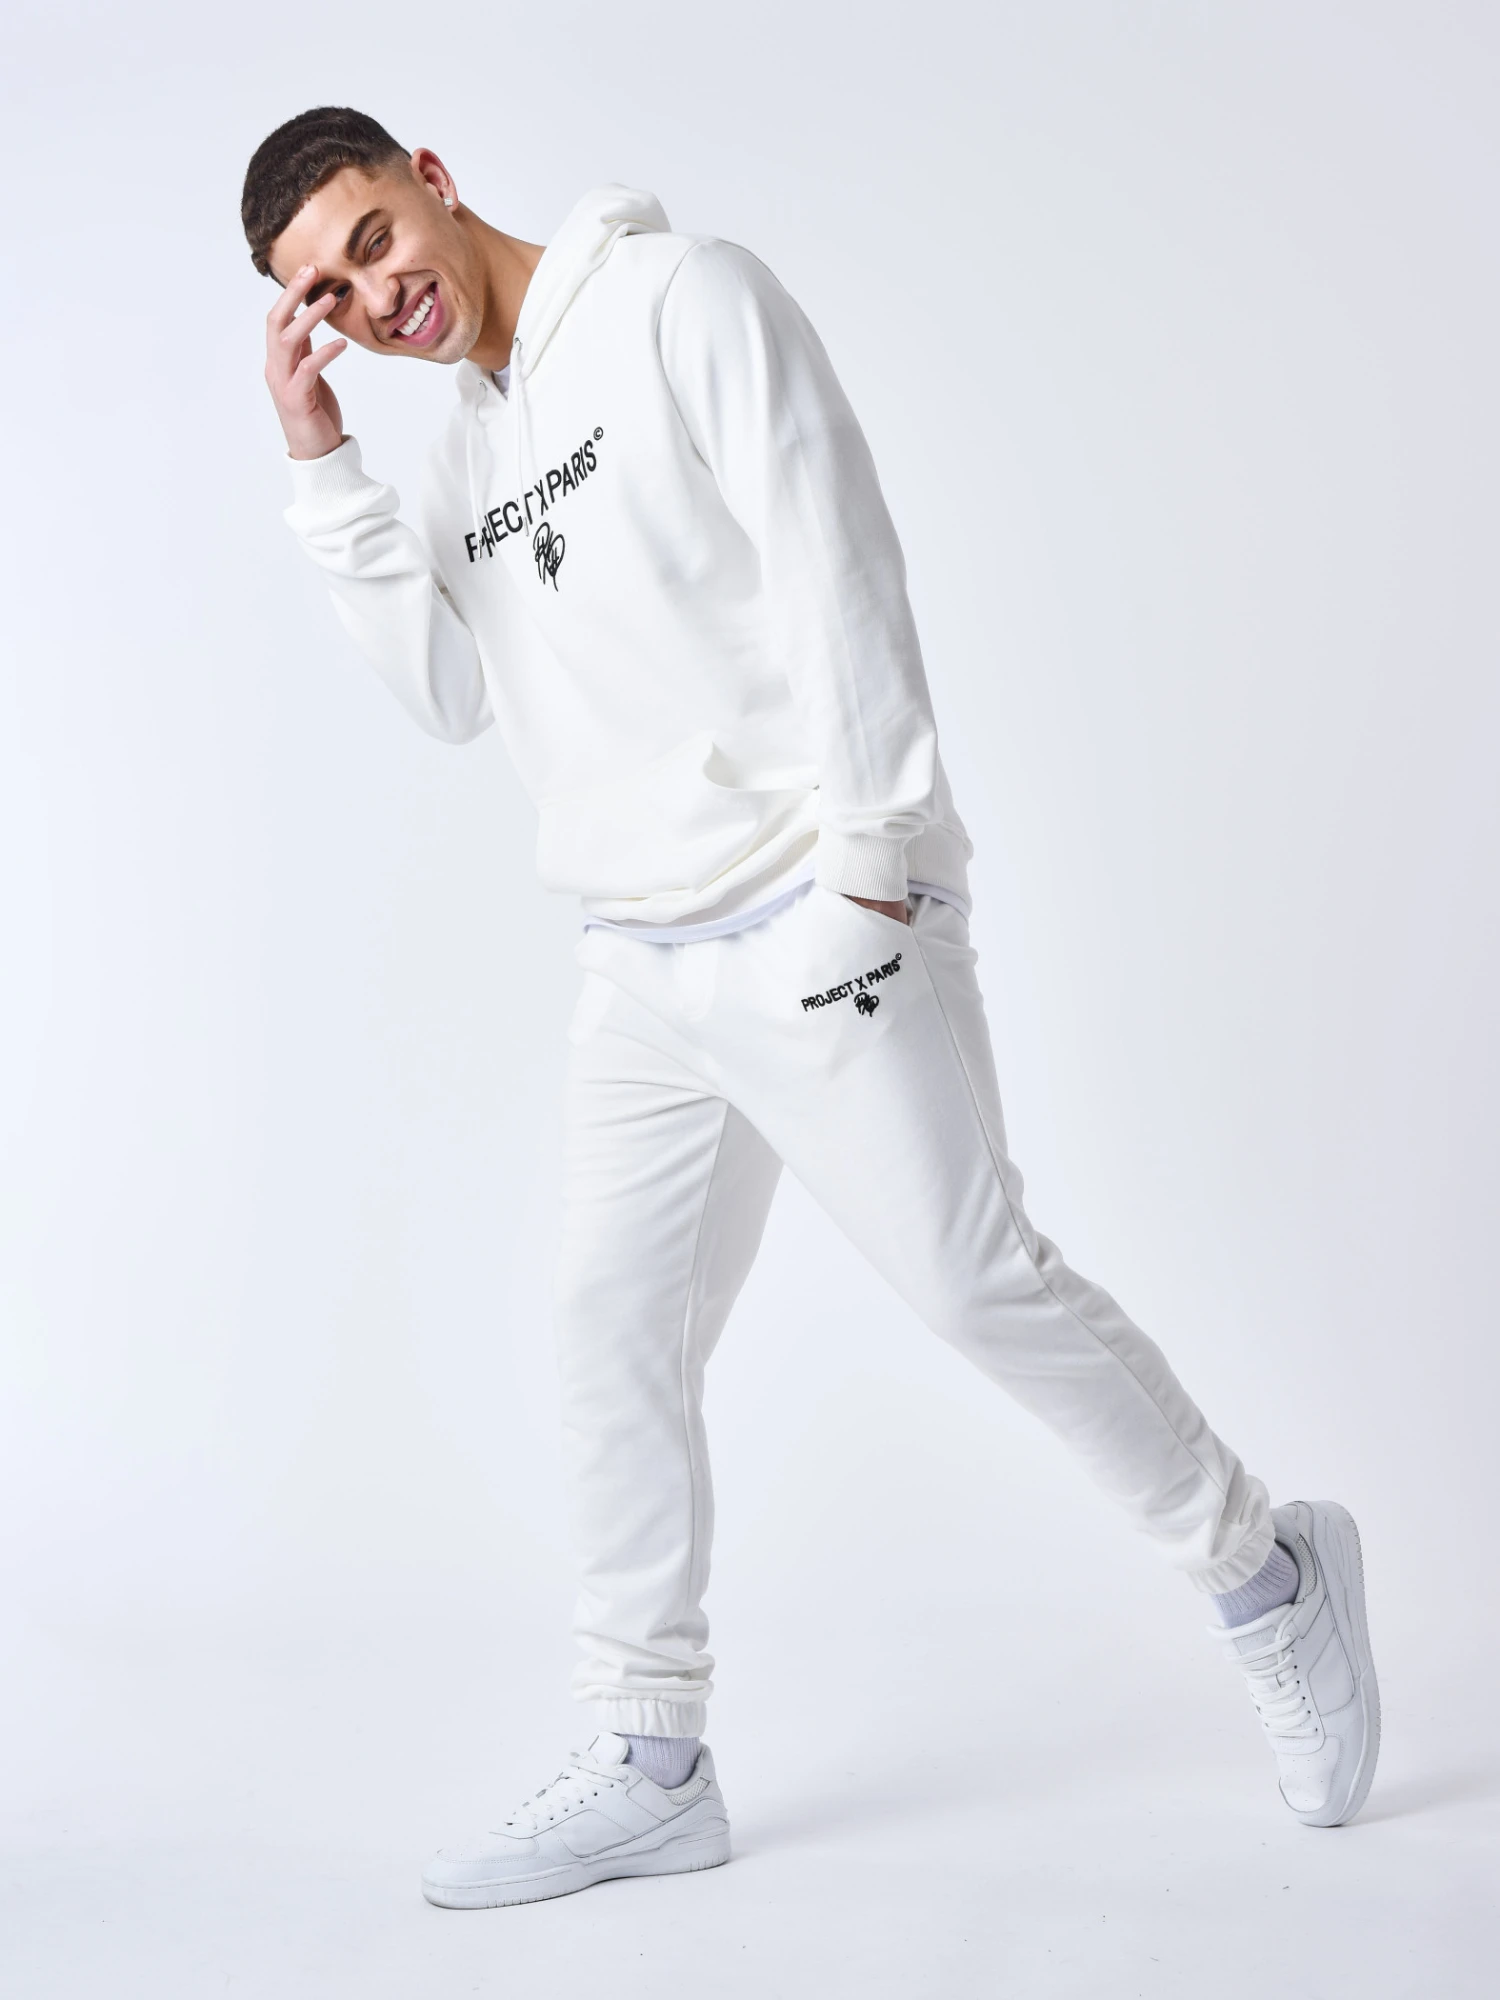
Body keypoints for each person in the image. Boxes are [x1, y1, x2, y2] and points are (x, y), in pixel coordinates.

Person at [242, 106, 1380, 1910]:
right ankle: (651, 1754)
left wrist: (873, 869)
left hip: (815, 898)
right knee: (608, 1331)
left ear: (434, 183)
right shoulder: (456, 449)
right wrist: (324, 466)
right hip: (638, 950)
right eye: (324, 292)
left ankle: (1269, 1574)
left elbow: (836, 559)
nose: (372, 298)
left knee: (977, 1280)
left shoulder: (682, 299)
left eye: (371, 240)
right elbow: (451, 693)